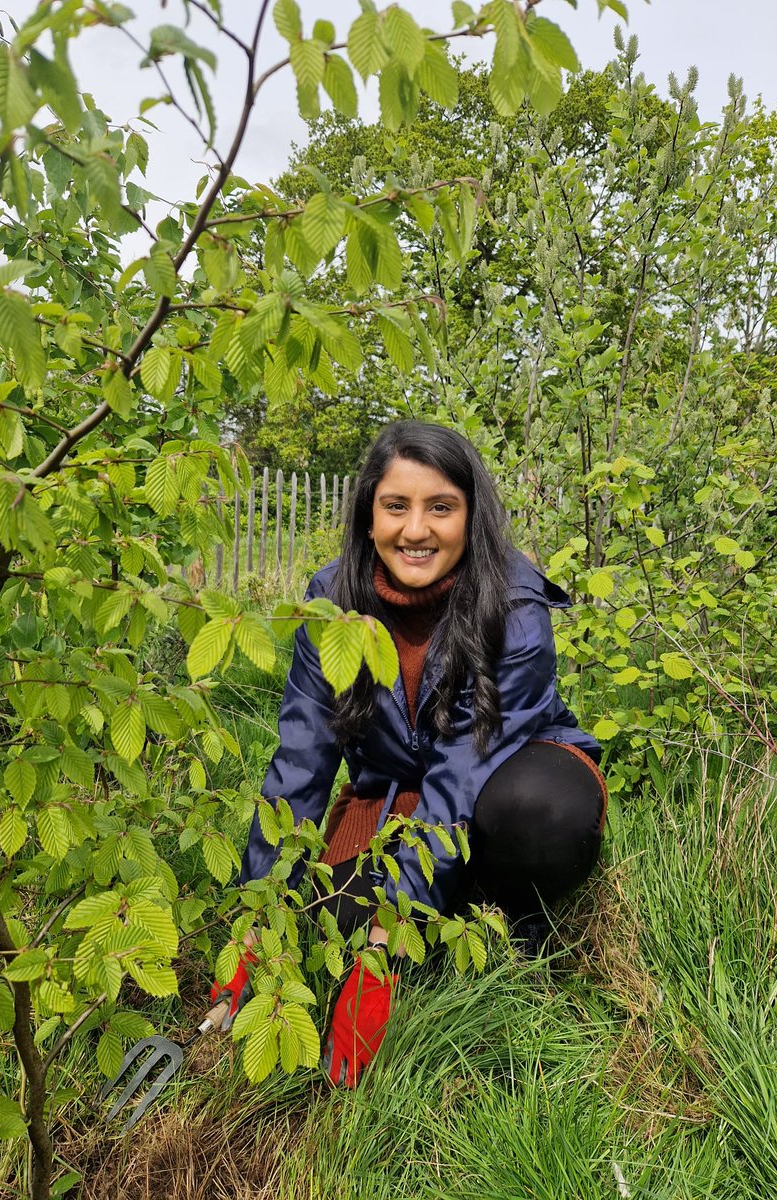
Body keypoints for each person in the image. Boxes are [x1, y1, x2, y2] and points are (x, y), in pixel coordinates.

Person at [228, 422, 607, 1088]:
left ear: (470, 515)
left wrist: (385, 947)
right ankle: (448, 909)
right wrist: (255, 918)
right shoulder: (333, 604)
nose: (416, 529)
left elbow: (462, 771)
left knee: (538, 816)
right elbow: (301, 759)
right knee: (328, 922)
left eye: (441, 507)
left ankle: (516, 917)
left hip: (507, 778)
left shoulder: (513, 603)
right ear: (369, 515)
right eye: (396, 506)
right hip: (397, 794)